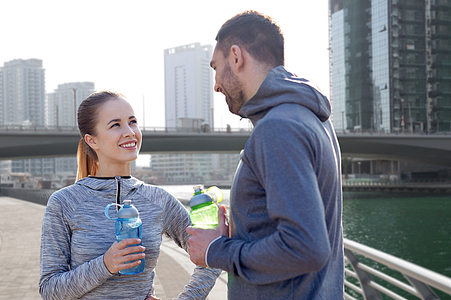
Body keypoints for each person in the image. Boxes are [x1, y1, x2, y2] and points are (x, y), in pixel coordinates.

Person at [186, 10, 344, 300]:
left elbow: (306, 247)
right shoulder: (312, 119)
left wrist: (215, 250)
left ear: (236, 56)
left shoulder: (278, 128)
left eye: (216, 68)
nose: (216, 84)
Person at [39, 90, 220, 300]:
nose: (129, 132)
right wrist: (106, 264)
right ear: (92, 140)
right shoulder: (64, 202)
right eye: (115, 125)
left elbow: (212, 254)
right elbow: (49, 289)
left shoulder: (159, 200)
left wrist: (187, 298)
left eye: (132, 122)